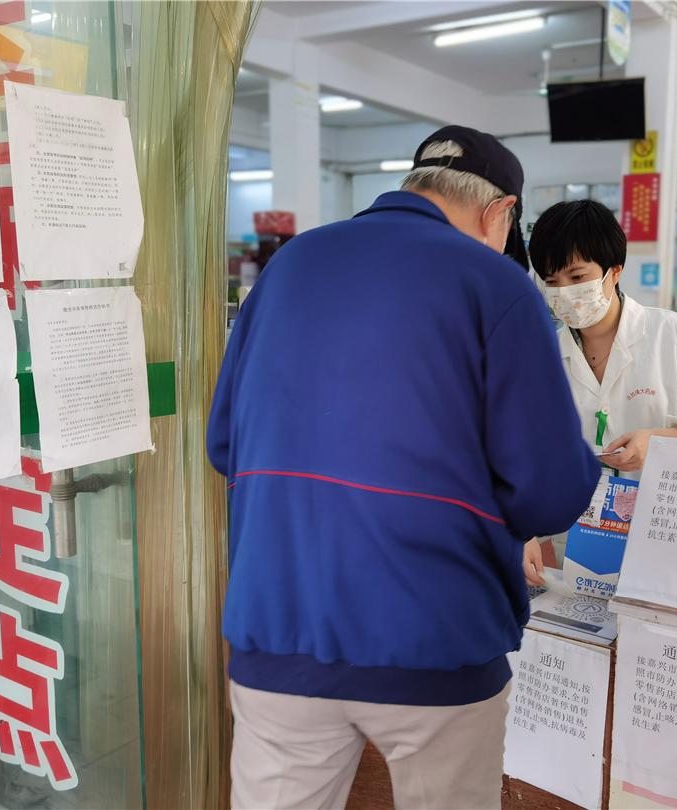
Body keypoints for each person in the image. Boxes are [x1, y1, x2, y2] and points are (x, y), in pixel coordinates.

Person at [207, 125, 600, 810]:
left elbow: (224, 446)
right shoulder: (497, 286)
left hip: (279, 628)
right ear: (500, 212)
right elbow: (551, 491)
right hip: (435, 643)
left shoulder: (290, 266)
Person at [521, 199, 677, 586]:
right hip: (581, 536)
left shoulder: (674, 336)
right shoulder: (542, 354)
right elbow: (528, 453)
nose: (564, 293)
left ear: (615, 271)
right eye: (552, 281)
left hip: (666, 529)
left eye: (577, 277)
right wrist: (521, 530)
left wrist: (661, 440)